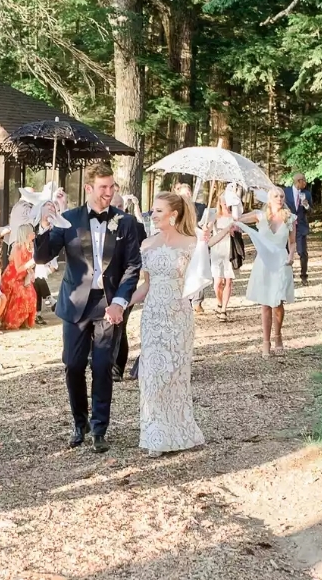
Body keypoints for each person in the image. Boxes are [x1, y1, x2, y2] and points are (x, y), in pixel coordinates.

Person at [35, 163, 142, 453]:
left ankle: (99, 428)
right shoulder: (67, 219)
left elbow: (133, 265)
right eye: (103, 187)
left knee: (103, 365)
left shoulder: (125, 222)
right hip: (75, 304)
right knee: (73, 365)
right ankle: (79, 422)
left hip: (109, 304)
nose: (109, 192)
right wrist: (44, 225)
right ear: (88, 188)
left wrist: (120, 301)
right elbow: (42, 256)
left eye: (112, 186)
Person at [130, 192, 204, 458]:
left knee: (175, 375)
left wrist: (206, 242)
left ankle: (179, 431)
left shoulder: (192, 243)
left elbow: (198, 277)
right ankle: (156, 435)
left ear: (174, 215)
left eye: (159, 211)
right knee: (151, 376)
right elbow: (146, 285)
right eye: (153, 210)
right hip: (153, 317)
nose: (153, 215)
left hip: (179, 316)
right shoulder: (147, 244)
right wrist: (122, 303)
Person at [235, 186, 296, 358]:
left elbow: (292, 242)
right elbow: (237, 219)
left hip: (281, 261)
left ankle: (278, 336)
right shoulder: (260, 216)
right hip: (264, 262)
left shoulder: (290, 218)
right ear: (269, 199)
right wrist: (234, 199)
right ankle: (266, 342)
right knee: (265, 303)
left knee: (278, 302)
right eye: (275, 196)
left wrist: (291, 256)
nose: (279, 198)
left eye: (281, 196)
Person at [111, 191, 147, 382]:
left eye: (120, 206)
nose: (117, 209)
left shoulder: (135, 225)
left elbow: (141, 254)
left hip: (125, 283)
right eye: (113, 206)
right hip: (101, 285)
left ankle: (116, 367)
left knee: (120, 324)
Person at [174, 183, 206, 314]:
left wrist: (205, 227)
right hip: (181, 244)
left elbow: (204, 224)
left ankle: (197, 301)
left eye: (189, 193)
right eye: (185, 193)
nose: (188, 195)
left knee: (198, 270)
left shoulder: (200, 208)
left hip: (196, 243)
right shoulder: (175, 210)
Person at [210, 188, 240, 323]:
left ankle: (224, 309)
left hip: (230, 250)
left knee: (228, 280)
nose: (226, 205)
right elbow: (207, 229)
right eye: (224, 203)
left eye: (228, 203)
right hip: (217, 250)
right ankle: (219, 301)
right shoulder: (215, 217)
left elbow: (239, 232)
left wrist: (235, 231)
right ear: (220, 203)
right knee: (217, 282)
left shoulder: (235, 217)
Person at [0, 224, 37, 331]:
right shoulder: (17, 247)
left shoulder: (30, 246)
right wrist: (31, 262)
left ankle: (24, 321)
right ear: (27, 234)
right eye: (31, 232)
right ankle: (12, 322)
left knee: (32, 294)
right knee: (20, 294)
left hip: (23, 277)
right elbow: (18, 268)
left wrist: (31, 273)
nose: (34, 234)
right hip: (12, 278)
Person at [284, 173, 312, 286]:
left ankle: (304, 276)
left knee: (302, 252)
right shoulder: (285, 192)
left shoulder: (307, 194)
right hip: (287, 226)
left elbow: (311, 211)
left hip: (300, 227)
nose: (305, 183)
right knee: (287, 252)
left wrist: (306, 206)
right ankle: (289, 275)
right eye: (304, 180)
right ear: (299, 181)